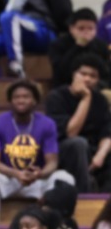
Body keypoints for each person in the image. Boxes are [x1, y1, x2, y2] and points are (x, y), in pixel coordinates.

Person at [0, 80, 73, 227]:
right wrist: (16, 174)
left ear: (35, 100)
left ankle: (57, 227)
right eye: (17, 97)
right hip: (10, 179)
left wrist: (39, 174)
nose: (21, 100)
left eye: (26, 96)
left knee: (65, 178)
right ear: (10, 100)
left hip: (37, 180)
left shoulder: (47, 124)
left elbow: (52, 162)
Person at [44, 54, 111, 190]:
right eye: (83, 74)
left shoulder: (100, 100)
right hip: (64, 148)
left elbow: (107, 132)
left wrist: (100, 155)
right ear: (74, 74)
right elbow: (71, 132)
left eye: (93, 76)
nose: (87, 79)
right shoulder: (56, 97)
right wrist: (85, 98)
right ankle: (84, 198)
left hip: (93, 149)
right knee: (78, 144)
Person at [0, 0, 61, 77]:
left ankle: (16, 66)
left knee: (7, 17)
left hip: (41, 30)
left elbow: (13, 8)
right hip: (16, 33)